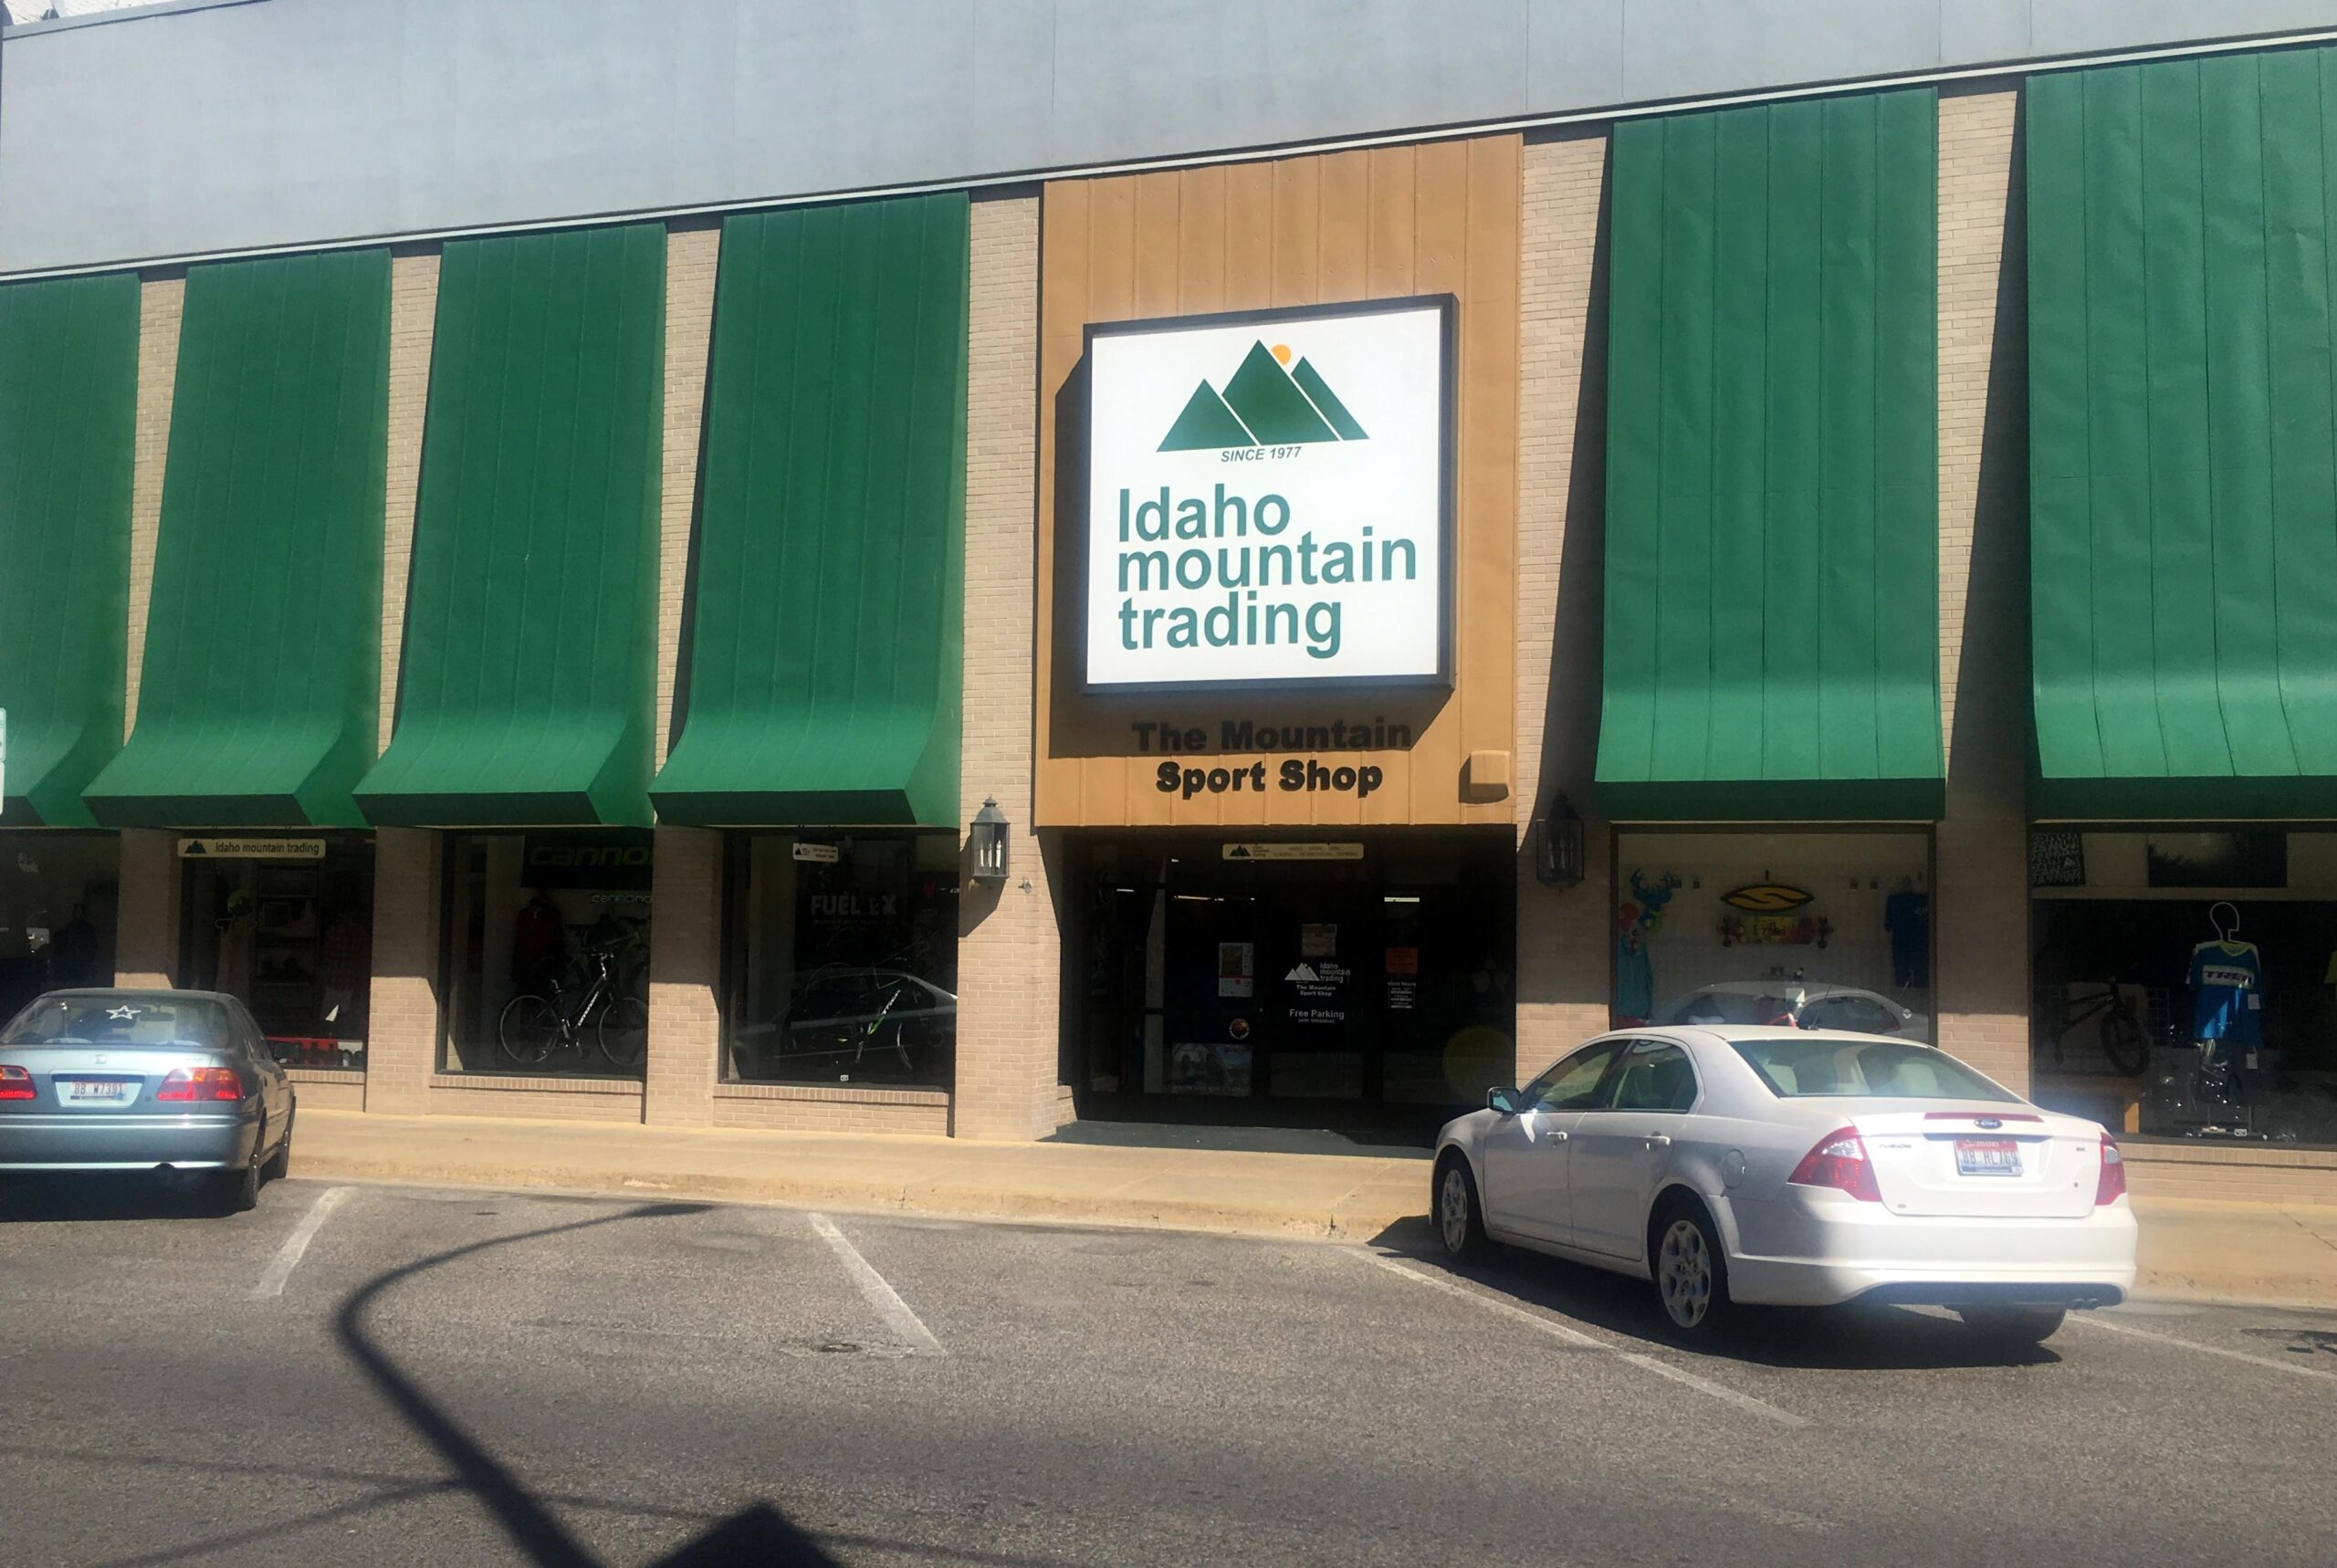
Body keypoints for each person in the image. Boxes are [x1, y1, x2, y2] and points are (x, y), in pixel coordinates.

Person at [47, 904, 103, 989]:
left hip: (83, 970)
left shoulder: (89, 932)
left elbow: (94, 951)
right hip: (66, 971)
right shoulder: (62, 935)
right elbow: (55, 955)